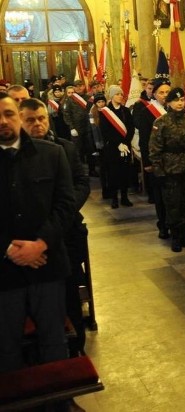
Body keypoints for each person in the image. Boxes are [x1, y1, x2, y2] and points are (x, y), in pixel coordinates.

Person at [0, 92, 75, 373]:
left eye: (8, 114)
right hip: (4, 271)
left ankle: (59, 400)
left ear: (19, 116)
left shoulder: (51, 154)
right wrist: (9, 248)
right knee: (6, 346)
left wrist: (40, 243)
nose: (3, 121)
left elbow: (65, 204)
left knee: (53, 341)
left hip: (48, 265)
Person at [18, 97, 91, 358]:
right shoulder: (14, 157)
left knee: (69, 296)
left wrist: (66, 210)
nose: (37, 124)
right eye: (30, 120)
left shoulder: (65, 148)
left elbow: (81, 182)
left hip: (65, 231)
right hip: (30, 239)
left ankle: (76, 352)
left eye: (41, 119)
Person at [149, 87, 185, 253]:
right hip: (170, 170)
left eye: (181, 100)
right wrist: (159, 171)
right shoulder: (161, 122)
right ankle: (176, 236)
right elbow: (155, 149)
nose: (179, 103)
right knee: (173, 204)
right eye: (176, 100)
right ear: (168, 103)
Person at [132, 79, 171, 238]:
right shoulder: (147, 112)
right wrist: (147, 162)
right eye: (161, 92)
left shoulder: (175, 109)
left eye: (167, 92)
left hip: (175, 162)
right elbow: (144, 139)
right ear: (154, 94)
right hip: (157, 161)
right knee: (161, 197)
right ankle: (163, 225)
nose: (165, 95)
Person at [99, 85, 135, 209]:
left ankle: (124, 197)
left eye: (121, 94)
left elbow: (130, 128)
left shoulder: (125, 111)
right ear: (111, 96)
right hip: (112, 148)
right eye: (117, 94)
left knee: (125, 172)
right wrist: (118, 143)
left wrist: (125, 142)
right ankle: (114, 198)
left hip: (125, 146)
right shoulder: (105, 112)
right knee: (113, 173)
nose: (120, 96)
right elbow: (105, 131)